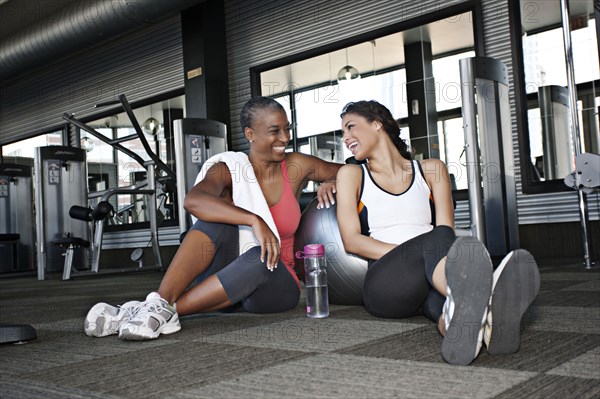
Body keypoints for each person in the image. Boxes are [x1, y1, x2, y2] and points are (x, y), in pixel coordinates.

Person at [84, 96, 342, 340]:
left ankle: (154, 309)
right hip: (225, 276)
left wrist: (329, 182)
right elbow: (194, 201)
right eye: (275, 131)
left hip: (274, 282)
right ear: (250, 134)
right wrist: (254, 220)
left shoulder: (297, 165)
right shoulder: (229, 168)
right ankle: (159, 305)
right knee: (214, 220)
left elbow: (350, 172)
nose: (285, 138)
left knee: (258, 258)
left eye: (287, 129)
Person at [335, 100, 540, 366]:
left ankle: (471, 327)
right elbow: (352, 241)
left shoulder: (432, 169)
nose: (345, 138)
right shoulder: (351, 174)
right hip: (387, 285)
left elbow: (446, 231)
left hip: (431, 276)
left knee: (443, 301)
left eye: (350, 127)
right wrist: (414, 253)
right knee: (439, 237)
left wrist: (427, 257)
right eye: (342, 132)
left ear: (377, 124)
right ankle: (484, 297)